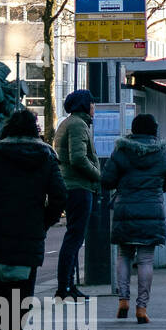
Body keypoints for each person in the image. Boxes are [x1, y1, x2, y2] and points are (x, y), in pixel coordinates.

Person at [0, 111, 67, 330]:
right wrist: (44, 222)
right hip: (29, 231)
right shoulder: (46, 156)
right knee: (23, 288)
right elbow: (59, 196)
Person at [101, 114, 166, 323]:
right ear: (154, 130)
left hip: (125, 209)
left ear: (133, 130)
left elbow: (107, 180)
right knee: (145, 260)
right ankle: (142, 307)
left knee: (124, 255)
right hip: (151, 209)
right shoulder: (162, 152)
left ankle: (123, 300)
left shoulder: (122, 150)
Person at [53, 88, 100, 301]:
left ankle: (67, 286)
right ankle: (65, 286)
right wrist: (99, 175)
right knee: (74, 237)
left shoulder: (68, 123)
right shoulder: (78, 125)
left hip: (71, 186)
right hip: (78, 187)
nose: (94, 107)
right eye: (91, 103)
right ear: (84, 105)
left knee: (73, 237)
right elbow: (79, 158)